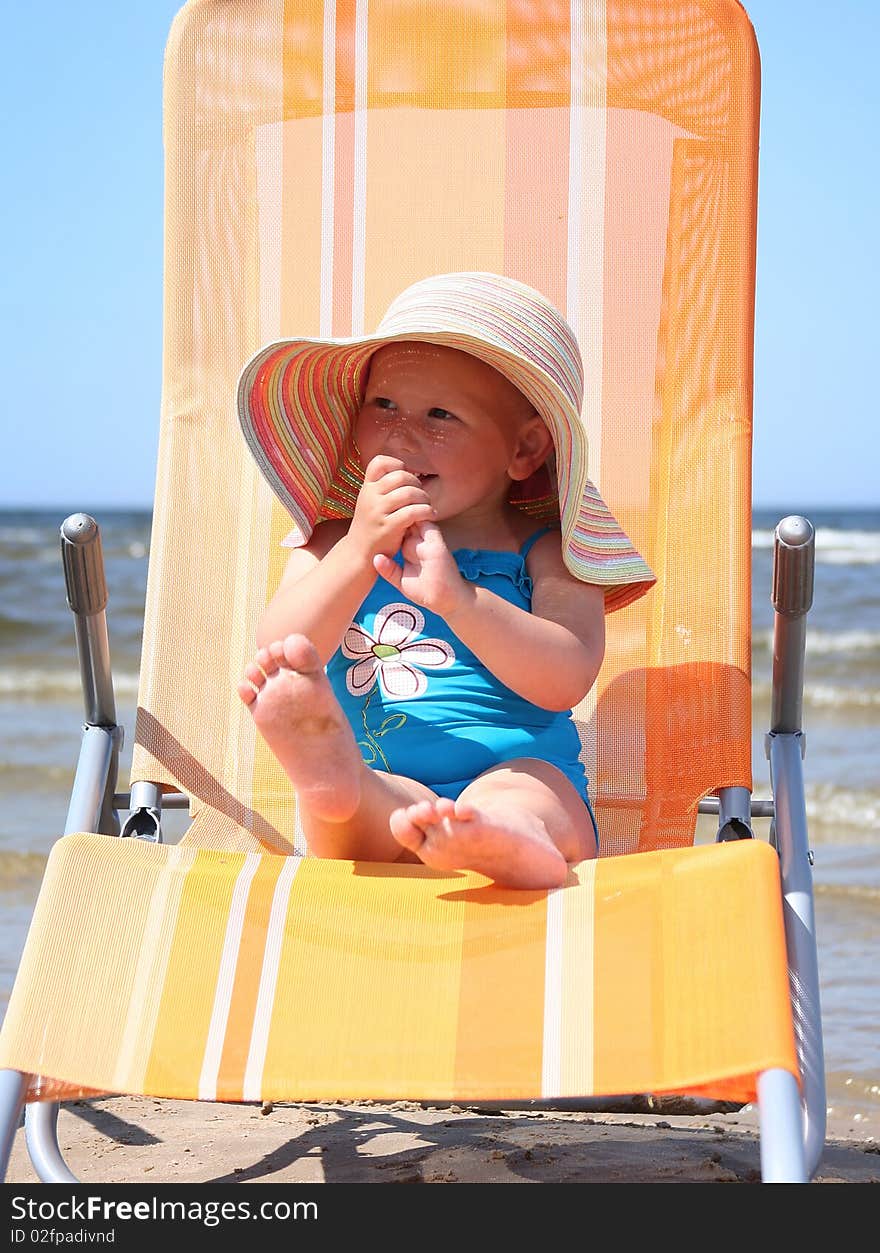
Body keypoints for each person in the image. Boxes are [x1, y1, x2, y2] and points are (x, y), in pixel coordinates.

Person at [235, 272, 654, 889]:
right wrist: (358, 552)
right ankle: (333, 787)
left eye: (439, 415)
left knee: (524, 793)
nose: (401, 434)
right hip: (387, 783)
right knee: (365, 800)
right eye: (383, 406)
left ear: (525, 449)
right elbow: (281, 652)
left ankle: (504, 837)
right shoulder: (335, 539)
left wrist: (461, 601)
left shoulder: (548, 551)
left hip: (521, 767)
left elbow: (567, 676)